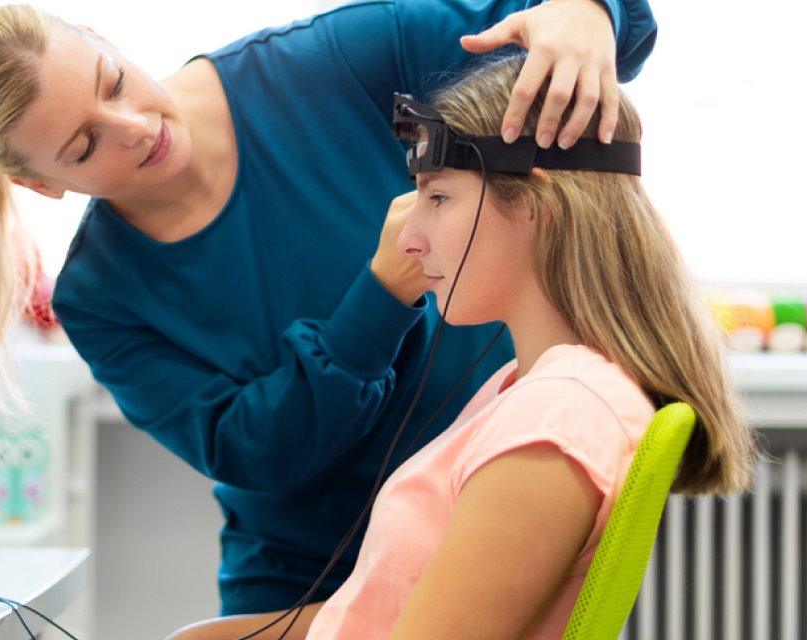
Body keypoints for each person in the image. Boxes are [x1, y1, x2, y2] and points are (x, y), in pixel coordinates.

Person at [0, 0, 660, 617]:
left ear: (107, 41)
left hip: (484, 512)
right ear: (43, 186)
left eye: (113, 82)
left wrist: (587, 13)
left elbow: (586, 33)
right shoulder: (99, 296)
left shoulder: (332, 63)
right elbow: (256, 452)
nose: (136, 127)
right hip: (303, 571)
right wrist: (379, 297)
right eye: (85, 146)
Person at [166, 53, 758, 639]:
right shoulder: (528, 388)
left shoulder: (558, 418)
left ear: (534, 205)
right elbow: (375, 613)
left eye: (437, 197)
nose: (410, 239)